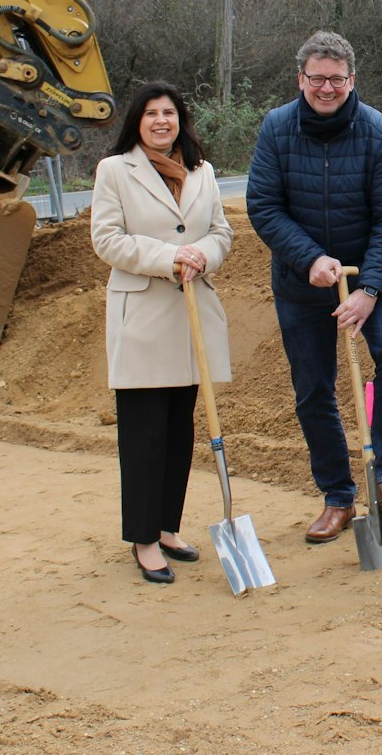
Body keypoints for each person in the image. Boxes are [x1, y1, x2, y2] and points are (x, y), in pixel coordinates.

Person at [246, 31, 382, 544]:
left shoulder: (377, 130)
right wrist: (309, 259)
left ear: (352, 80)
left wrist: (369, 290)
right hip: (302, 283)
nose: (327, 88)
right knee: (314, 388)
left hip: (369, 276)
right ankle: (338, 496)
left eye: (336, 79)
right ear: (301, 79)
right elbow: (264, 207)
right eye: (317, 78)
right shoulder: (277, 129)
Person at [88, 81, 236, 584]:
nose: (160, 122)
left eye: (168, 113)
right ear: (137, 121)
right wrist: (169, 256)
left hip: (190, 316)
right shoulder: (115, 170)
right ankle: (144, 539)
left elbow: (221, 232)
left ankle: (169, 527)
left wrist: (203, 254)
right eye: (150, 114)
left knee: (178, 432)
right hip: (144, 321)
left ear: (180, 119)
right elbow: (107, 239)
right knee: (144, 435)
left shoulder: (202, 171)